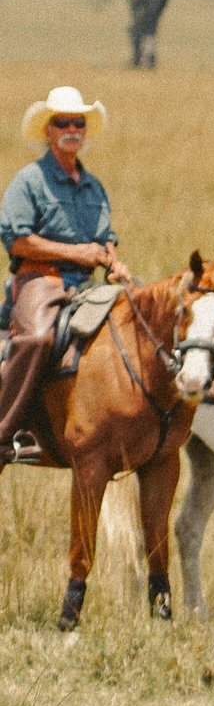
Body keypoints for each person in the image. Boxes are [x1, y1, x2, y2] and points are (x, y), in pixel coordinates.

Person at [0, 85, 132, 464]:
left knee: (136, 324)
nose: (72, 129)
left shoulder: (94, 187)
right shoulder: (29, 180)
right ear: (48, 130)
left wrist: (114, 262)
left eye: (78, 122)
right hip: (40, 280)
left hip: (86, 284)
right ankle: (7, 430)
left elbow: (105, 239)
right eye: (63, 123)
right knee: (40, 338)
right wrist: (76, 252)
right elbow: (18, 241)